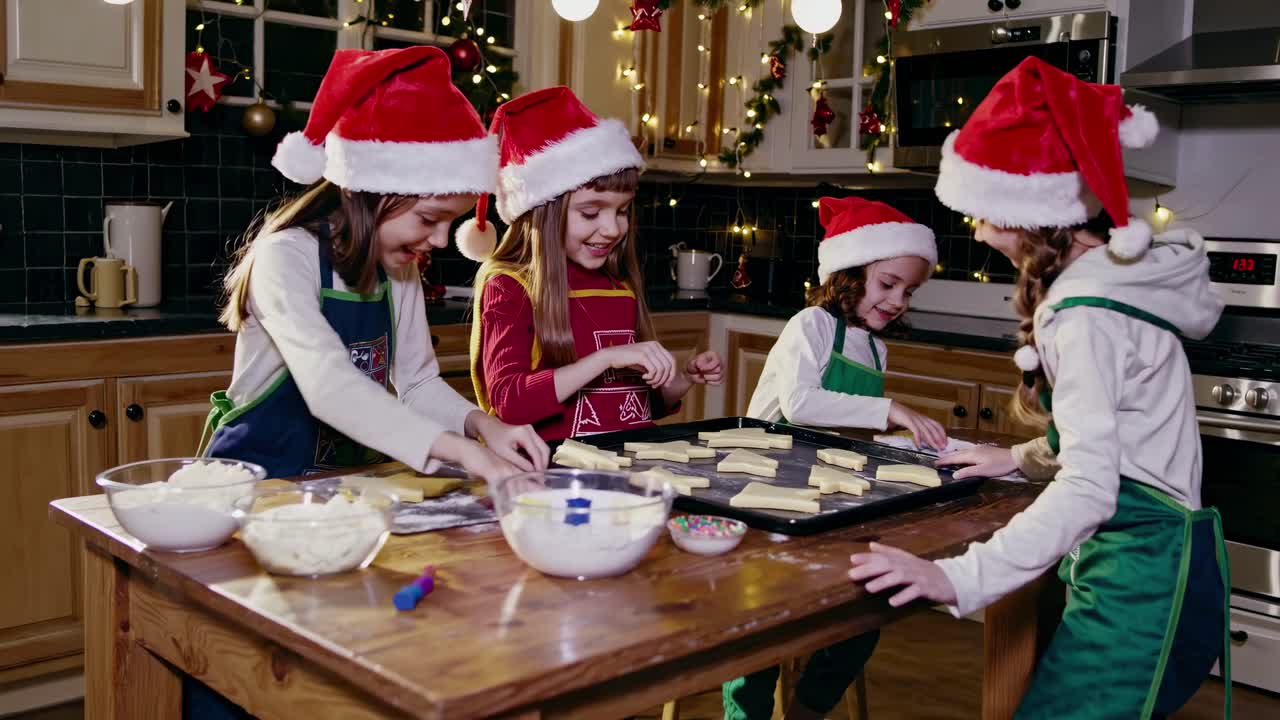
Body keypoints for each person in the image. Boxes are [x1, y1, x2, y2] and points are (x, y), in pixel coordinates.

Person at [849, 57, 1230, 719]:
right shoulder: (1112, 279)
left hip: (1144, 582)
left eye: (980, 209)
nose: (973, 227)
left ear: (1032, 209)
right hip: (1156, 565)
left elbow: (1090, 485)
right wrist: (1018, 459)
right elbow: (1115, 436)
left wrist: (956, 576)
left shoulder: (1084, 316)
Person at [202, 46, 547, 483]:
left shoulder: (398, 270)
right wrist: (459, 451)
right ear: (368, 192)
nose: (441, 240)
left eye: (450, 223)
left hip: (337, 491)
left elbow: (417, 385)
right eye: (429, 219)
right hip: (252, 488)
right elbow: (329, 385)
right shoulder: (286, 257)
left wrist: (483, 426)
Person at [466, 86, 723, 441]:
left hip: (626, 472)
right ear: (542, 213)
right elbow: (510, 402)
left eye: (622, 211)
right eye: (591, 212)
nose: (613, 228)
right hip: (554, 481)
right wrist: (606, 359)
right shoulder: (511, 284)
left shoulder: (618, 284)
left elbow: (633, 405)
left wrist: (682, 380)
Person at [747, 196, 948, 451]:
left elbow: (849, 419)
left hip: (821, 468)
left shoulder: (876, 351)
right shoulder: (813, 324)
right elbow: (798, 404)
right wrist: (888, 409)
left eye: (909, 291)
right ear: (848, 276)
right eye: (887, 284)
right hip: (764, 459)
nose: (899, 301)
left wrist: (883, 423)